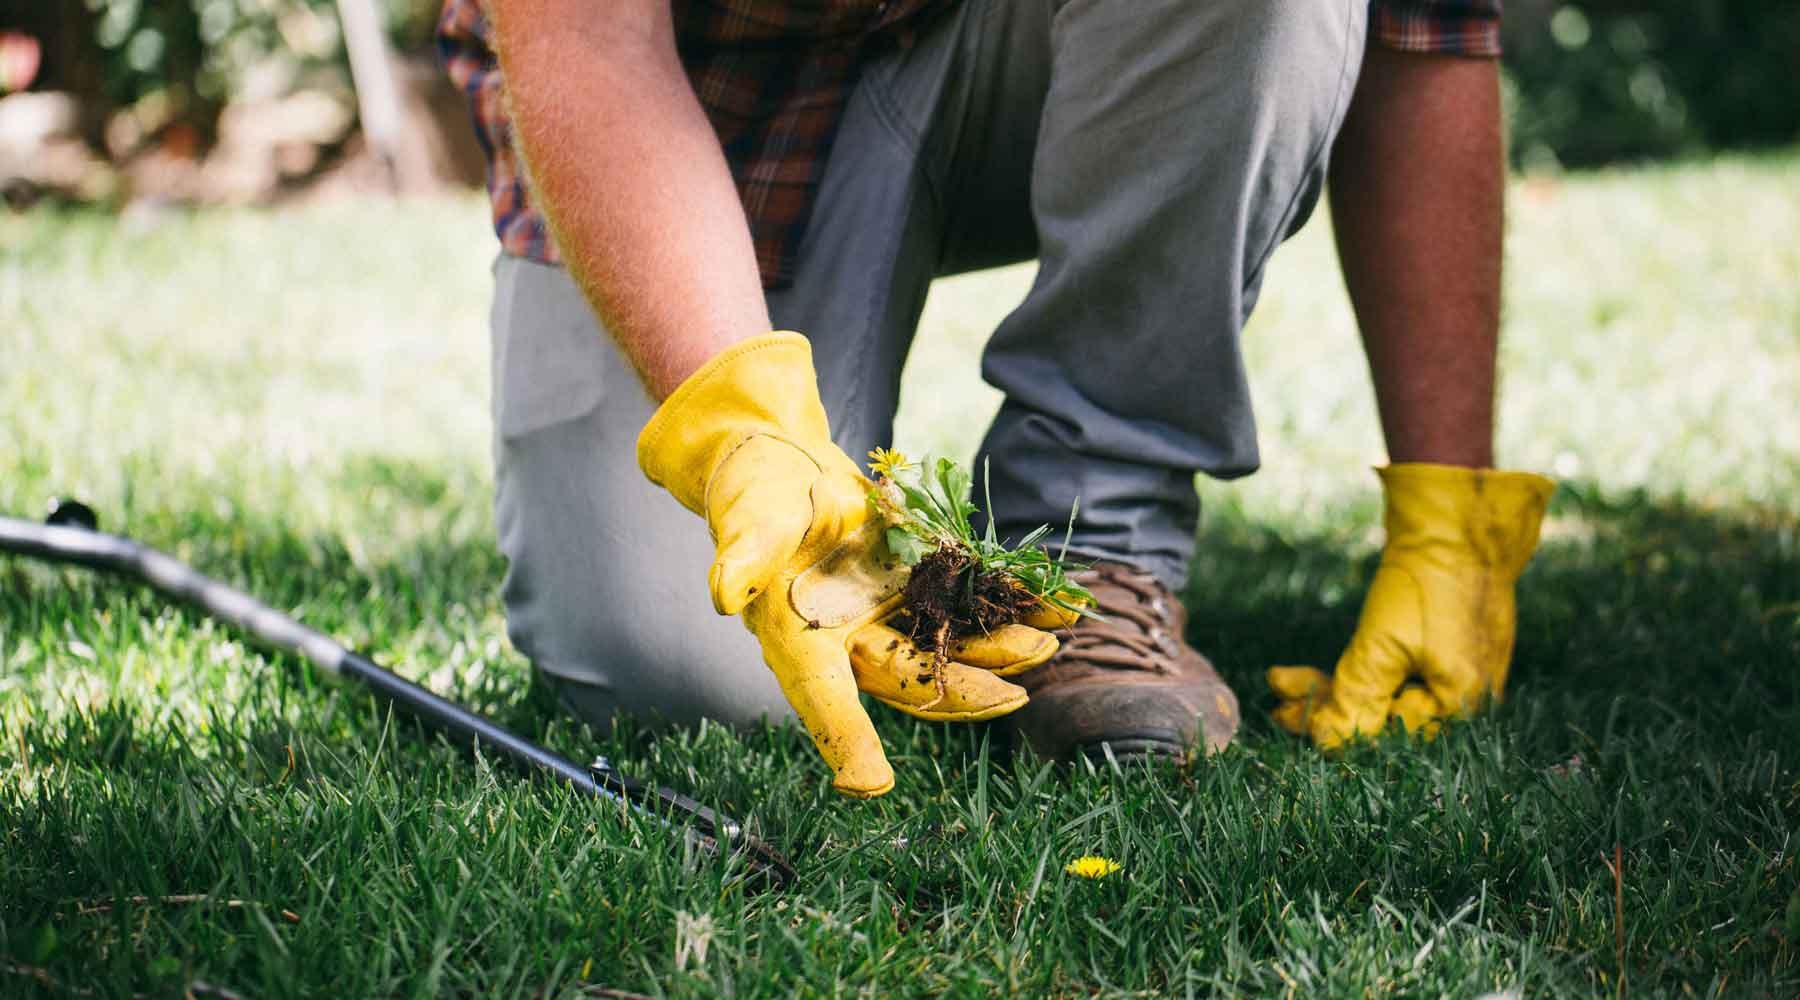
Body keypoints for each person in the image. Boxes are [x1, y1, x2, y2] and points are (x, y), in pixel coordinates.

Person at [437, 0, 1556, 798]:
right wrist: (739, 430)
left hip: (1022, 39)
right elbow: (586, 32)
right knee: (689, 676)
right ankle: (821, 473)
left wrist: (1450, 518)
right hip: (710, 111)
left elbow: (1426, 23)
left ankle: (1094, 537)